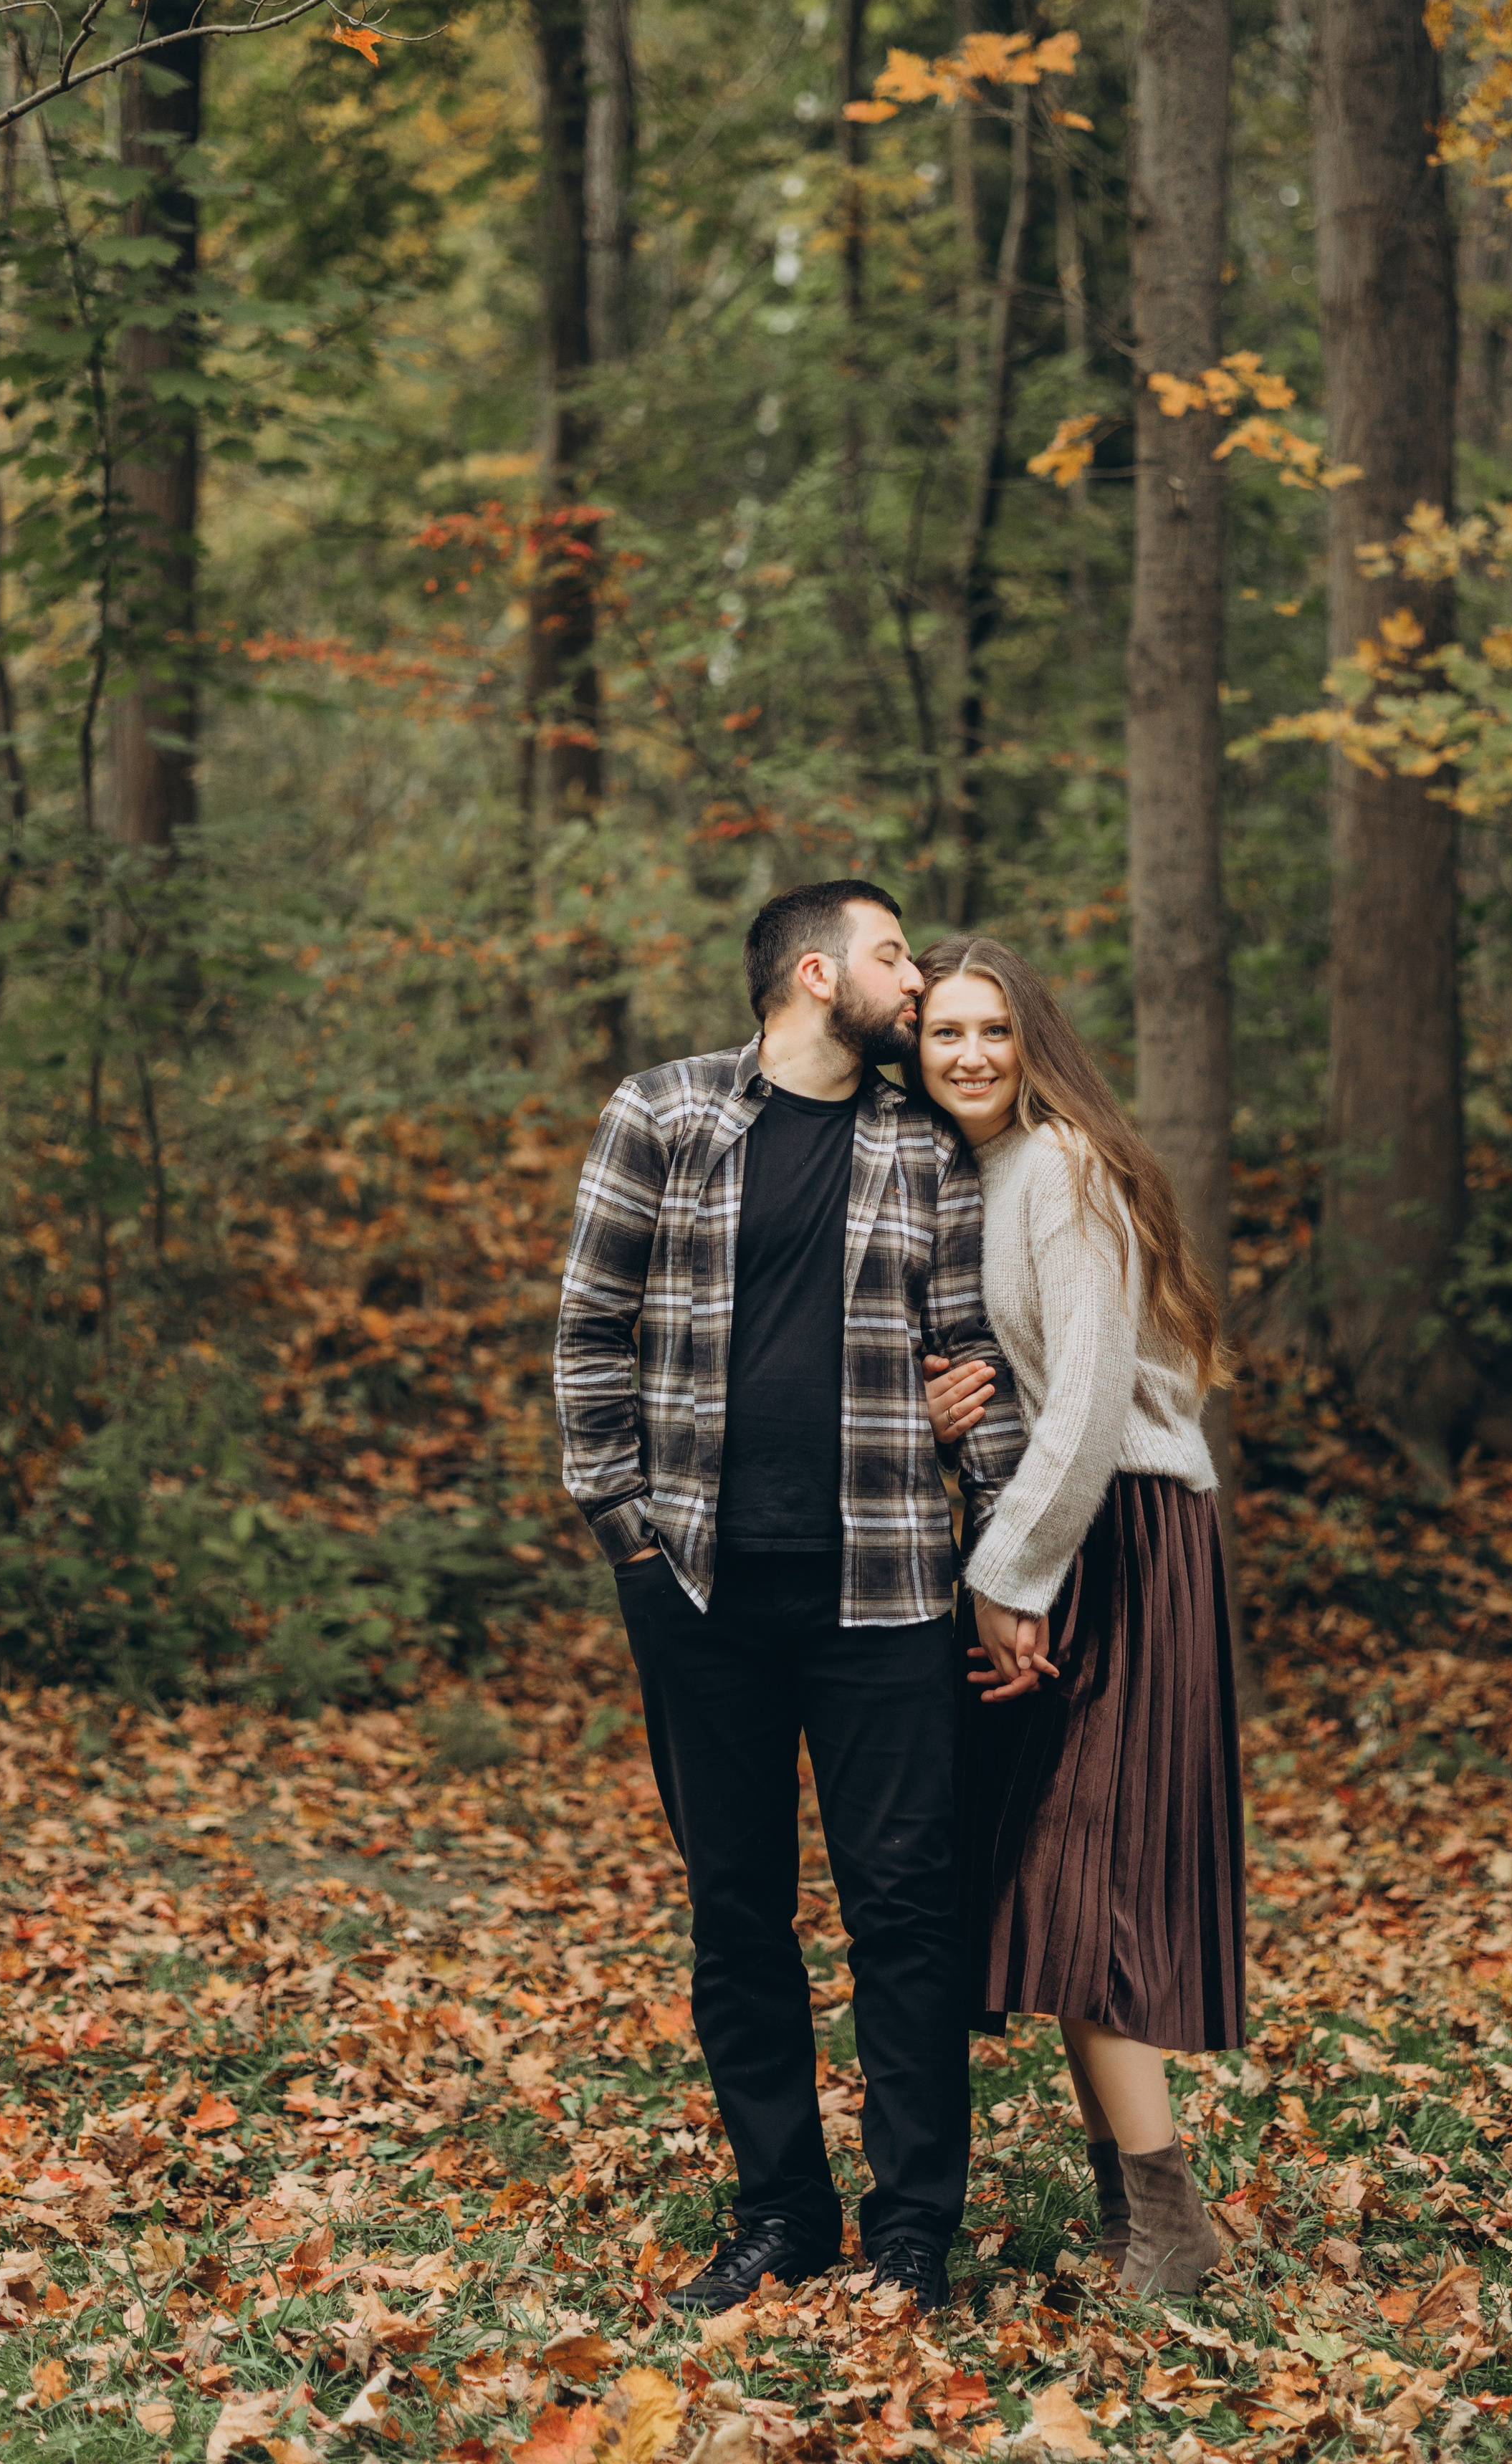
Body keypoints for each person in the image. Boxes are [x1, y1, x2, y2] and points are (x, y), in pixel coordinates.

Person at [554, 882, 1024, 2314]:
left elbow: (971, 1363)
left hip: (883, 1592)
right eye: (893, 959)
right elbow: (588, 1329)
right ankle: (779, 2213)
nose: (914, 980)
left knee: (904, 1911)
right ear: (818, 975)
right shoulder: (666, 1115)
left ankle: (910, 2230)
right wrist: (627, 1529)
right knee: (736, 1910)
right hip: (696, 1592)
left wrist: (996, 1540)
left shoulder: (922, 1150)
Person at [912, 934, 1245, 2301]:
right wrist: (960, 1407)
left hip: (1124, 1540)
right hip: (1066, 1533)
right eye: (944, 1034)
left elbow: (1099, 1399)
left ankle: (1171, 2235)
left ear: (1033, 1038)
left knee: (1087, 1881)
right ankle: (1135, 2216)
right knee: (1059, 1893)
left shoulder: (1059, 1166)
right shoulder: (977, 1176)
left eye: (995, 1029)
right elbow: (1043, 1372)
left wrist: (1006, 1578)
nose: (972, 1055)